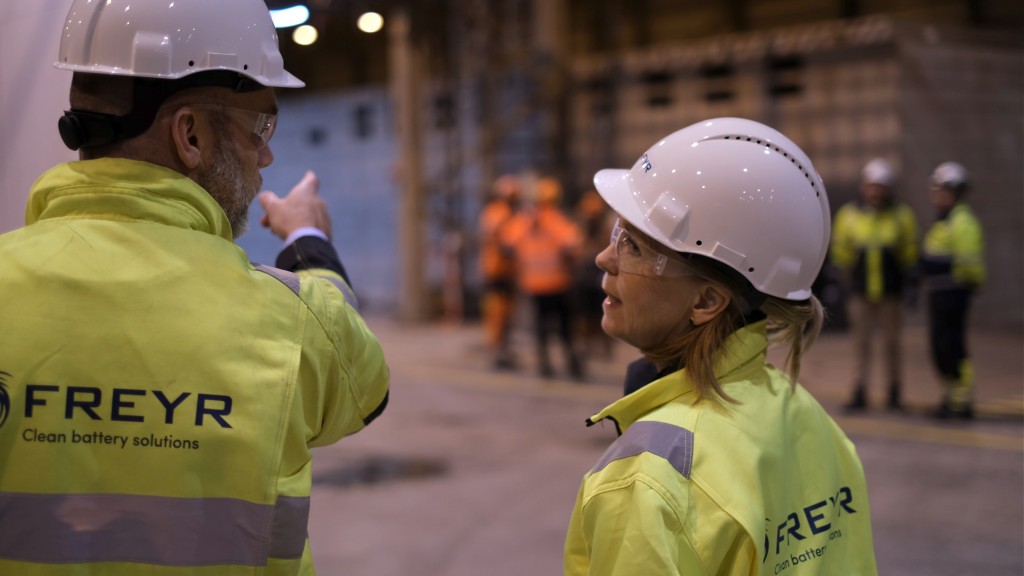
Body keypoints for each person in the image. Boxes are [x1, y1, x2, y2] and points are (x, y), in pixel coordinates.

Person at [0, 1, 390, 574]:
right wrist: (307, 236)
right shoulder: (294, 321)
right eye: (260, 127)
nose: (267, 154)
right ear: (189, 135)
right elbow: (359, 378)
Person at [563, 118, 878, 575]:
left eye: (632, 246)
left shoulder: (646, 483)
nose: (604, 257)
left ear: (707, 300)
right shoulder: (808, 419)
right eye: (616, 234)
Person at [830, 158, 918, 411]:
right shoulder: (849, 215)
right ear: (863, 187)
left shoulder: (902, 216)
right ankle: (860, 390)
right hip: (860, 292)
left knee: (892, 344)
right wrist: (841, 280)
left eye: (880, 186)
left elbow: (909, 252)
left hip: (892, 293)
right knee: (861, 344)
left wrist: (910, 284)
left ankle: (894, 392)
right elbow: (840, 251)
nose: (875, 191)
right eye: (871, 185)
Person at [920, 162, 985, 419]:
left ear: (956, 193)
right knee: (941, 346)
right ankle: (950, 397)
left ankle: (961, 401)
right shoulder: (942, 223)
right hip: (939, 293)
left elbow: (969, 265)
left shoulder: (962, 222)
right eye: (936, 190)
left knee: (953, 346)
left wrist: (942, 268)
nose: (937, 195)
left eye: (943, 190)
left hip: (954, 293)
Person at [502, 177, 584, 379]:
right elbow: (572, 245)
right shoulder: (555, 220)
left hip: (534, 283)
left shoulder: (524, 220)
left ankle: (545, 365)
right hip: (558, 283)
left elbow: (507, 245)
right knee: (565, 328)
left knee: (541, 327)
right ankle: (572, 364)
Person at [478, 174, 522, 369]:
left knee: (507, 313)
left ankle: (503, 348)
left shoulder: (513, 214)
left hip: (509, 271)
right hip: (495, 271)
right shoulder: (497, 212)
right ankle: (496, 349)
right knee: (497, 313)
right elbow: (498, 236)